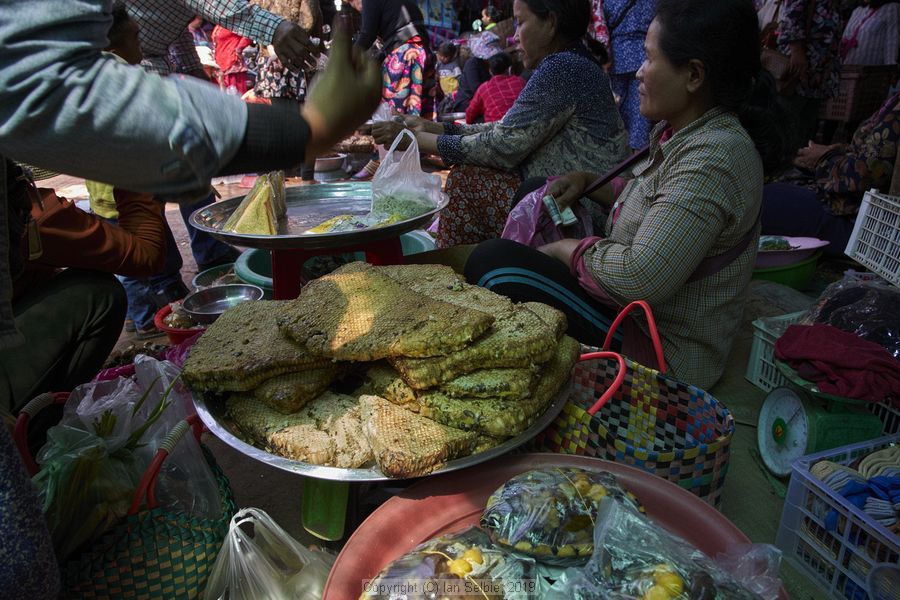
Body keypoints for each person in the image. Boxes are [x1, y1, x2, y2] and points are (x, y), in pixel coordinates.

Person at [0, 1, 380, 594]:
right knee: (22, 567)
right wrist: (302, 129)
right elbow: (36, 78)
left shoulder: (152, 74)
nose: (115, 24)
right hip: (125, 233)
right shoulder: (72, 185)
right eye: (111, 23)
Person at [465, 0, 790, 389]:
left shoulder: (714, 157)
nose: (638, 71)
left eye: (649, 59)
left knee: (493, 264)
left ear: (694, 75)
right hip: (633, 316)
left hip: (662, 352)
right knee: (538, 191)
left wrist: (564, 251)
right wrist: (588, 181)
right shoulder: (685, 134)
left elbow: (640, 278)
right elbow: (652, 198)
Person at [373, 0, 630, 248]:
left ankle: (454, 273)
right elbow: (507, 129)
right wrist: (434, 128)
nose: (515, 36)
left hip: (586, 217)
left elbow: (503, 146)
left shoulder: (564, 67)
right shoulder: (571, 62)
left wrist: (417, 140)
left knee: (467, 181)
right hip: (581, 205)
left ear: (550, 22)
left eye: (521, 22)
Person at [762, 90, 900, 256]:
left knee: (766, 200)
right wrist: (826, 152)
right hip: (851, 208)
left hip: (869, 229)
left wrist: (823, 158)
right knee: (774, 190)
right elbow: (868, 153)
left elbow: (865, 174)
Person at [128, 0, 319, 77]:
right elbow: (218, 6)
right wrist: (275, 28)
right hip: (130, 72)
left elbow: (175, 29)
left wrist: (195, 70)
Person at [776, 0, 842, 144]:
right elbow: (792, 14)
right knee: (787, 119)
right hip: (801, 68)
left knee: (806, 126)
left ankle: (796, 160)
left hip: (819, 73)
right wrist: (796, 50)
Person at [604, 0, 657, 150]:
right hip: (644, 56)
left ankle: (615, 155)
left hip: (616, 57)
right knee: (640, 116)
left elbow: (606, 16)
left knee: (614, 113)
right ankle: (637, 159)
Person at [465, 51, 525, 123]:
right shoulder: (520, 81)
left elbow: (470, 114)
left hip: (497, 130)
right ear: (509, 69)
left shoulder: (484, 88)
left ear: (490, 71)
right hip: (524, 126)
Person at [839, 0, 899, 65]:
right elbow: (845, 37)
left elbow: (891, 40)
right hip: (847, 68)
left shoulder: (891, 8)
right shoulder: (857, 11)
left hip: (871, 70)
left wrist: (890, 68)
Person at [212, 24, 253, 94]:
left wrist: (239, 48)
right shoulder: (219, 24)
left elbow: (249, 34)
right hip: (220, 65)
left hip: (232, 64)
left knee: (235, 95)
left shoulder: (235, 22)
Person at [435, 41, 463, 111]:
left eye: (445, 57)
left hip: (454, 94)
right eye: (441, 55)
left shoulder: (454, 66)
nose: (442, 58)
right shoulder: (439, 66)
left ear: (451, 56)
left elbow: (460, 78)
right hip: (445, 94)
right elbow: (437, 77)